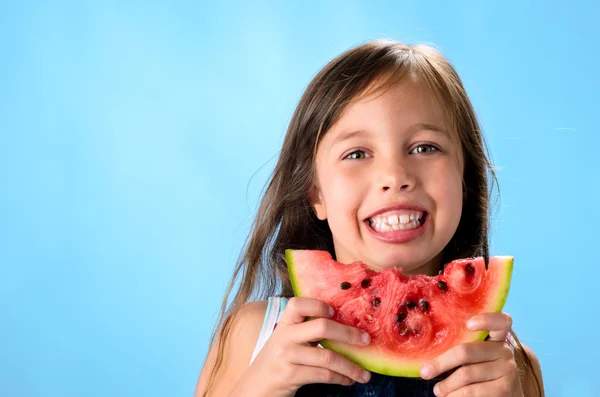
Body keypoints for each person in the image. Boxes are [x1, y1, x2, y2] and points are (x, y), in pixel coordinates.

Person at [195, 40, 544, 397]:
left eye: (425, 148)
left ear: (465, 180)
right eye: (357, 153)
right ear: (315, 194)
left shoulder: (506, 365)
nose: (394, 176)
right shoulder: (255, 334)